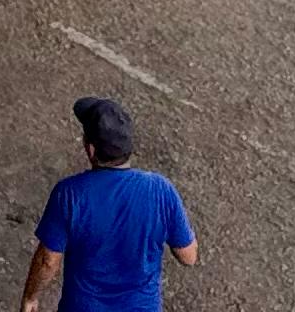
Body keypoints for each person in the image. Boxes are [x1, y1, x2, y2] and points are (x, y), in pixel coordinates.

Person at [21, 97, 196, 312]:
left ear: (91, 150)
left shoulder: (70, 194)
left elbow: (48, 261)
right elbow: (188, 256)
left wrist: (31, 297)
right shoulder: (160, 190)